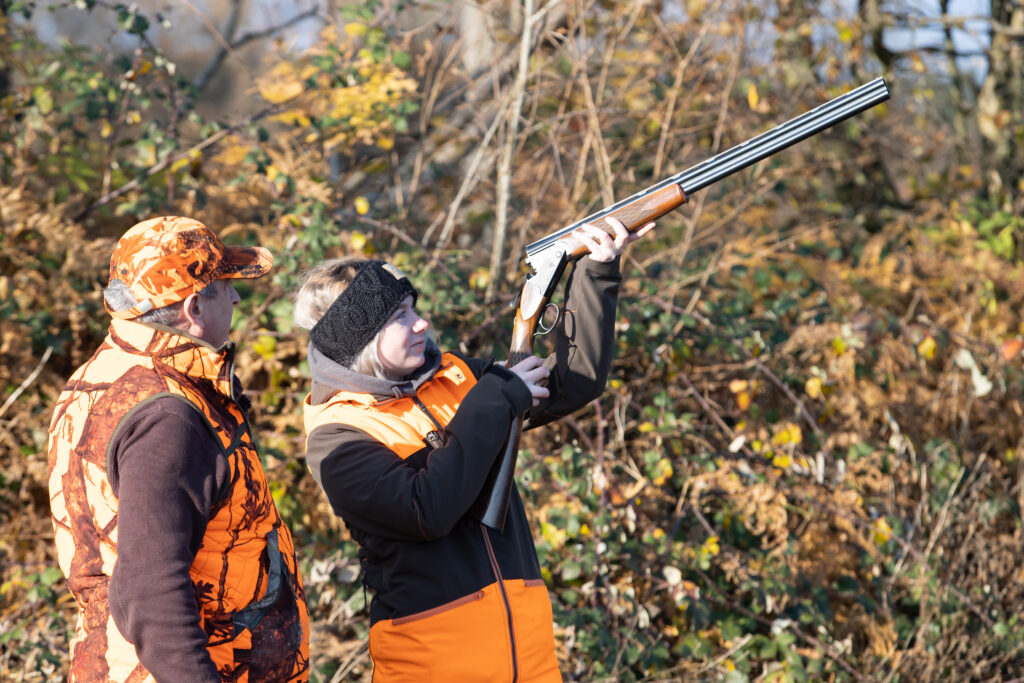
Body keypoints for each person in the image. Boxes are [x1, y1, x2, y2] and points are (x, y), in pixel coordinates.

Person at [294, 217, 653, 680]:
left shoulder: (456, 376)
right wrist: (494, 398)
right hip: (435, 664)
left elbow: (572, 383)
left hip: (528, 655)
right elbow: (426, 510)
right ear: (359, 341)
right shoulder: (336, 435)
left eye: (412, 306)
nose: (421, 321)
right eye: (400, 316)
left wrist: (597, 270)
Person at [47, 216, 310, 682]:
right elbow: (152, 592)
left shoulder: (102, 374)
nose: (235, 296)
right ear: (193, 308)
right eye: (225, 284)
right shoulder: (169, 417)